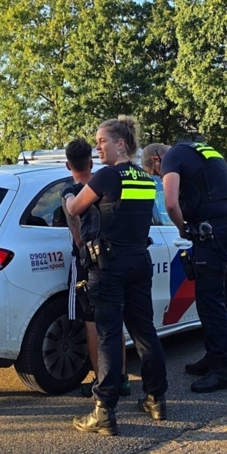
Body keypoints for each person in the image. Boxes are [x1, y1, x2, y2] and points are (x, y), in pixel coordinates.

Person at [65, 116, 169, 435]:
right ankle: (155, 399)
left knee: (110, 336)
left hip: (108, 266)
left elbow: (74, 209)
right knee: (144, 332)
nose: (97, 146)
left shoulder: (107, 176)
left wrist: (69, 197)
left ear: (120, 144)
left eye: (102, 141)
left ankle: (104, 412)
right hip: (138, 261)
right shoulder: (143, 178)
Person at [141, 139, 227, 393]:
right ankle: (213, 356)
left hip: (211, 233)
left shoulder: (172, 157)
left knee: (209, 302)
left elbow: (171, 203)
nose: (159, 177)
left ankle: (220, 370)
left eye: (156, 174)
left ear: (156, 159)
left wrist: (182, 228)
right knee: (218, 299)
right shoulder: (199, 149)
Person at [55, 139, 129, 398]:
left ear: (68, 164)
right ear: (91, 161)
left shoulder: (70, 191)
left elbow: (77, 232)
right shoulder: (104, 184)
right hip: (114, 258)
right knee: (114, 320)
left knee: (92, 324)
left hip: (87, 262)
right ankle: (121, 378)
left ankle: (101, 381)